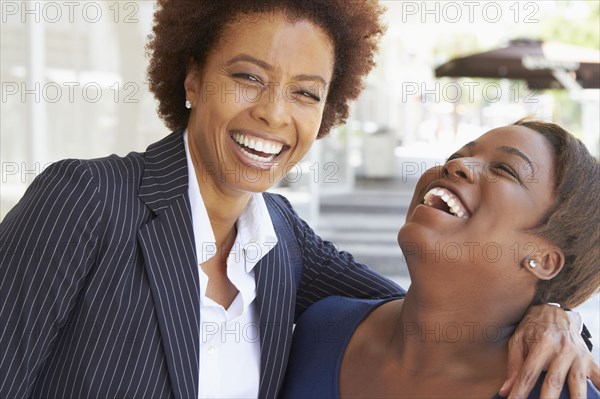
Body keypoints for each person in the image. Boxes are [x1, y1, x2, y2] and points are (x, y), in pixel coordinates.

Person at [0, 1, 595, 397]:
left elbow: (422, 314)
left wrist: (553, 312)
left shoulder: (280, 240)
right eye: (247, 77)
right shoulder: (85, 201)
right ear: (191, 80)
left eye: (306, 93)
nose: (273, 113)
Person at [281, 120, 600, 398]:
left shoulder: (563, 392)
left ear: (545, 260)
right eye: (457, 156)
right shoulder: (322, 329)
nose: (456, 165)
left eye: (504, 170)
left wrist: (562, 312)